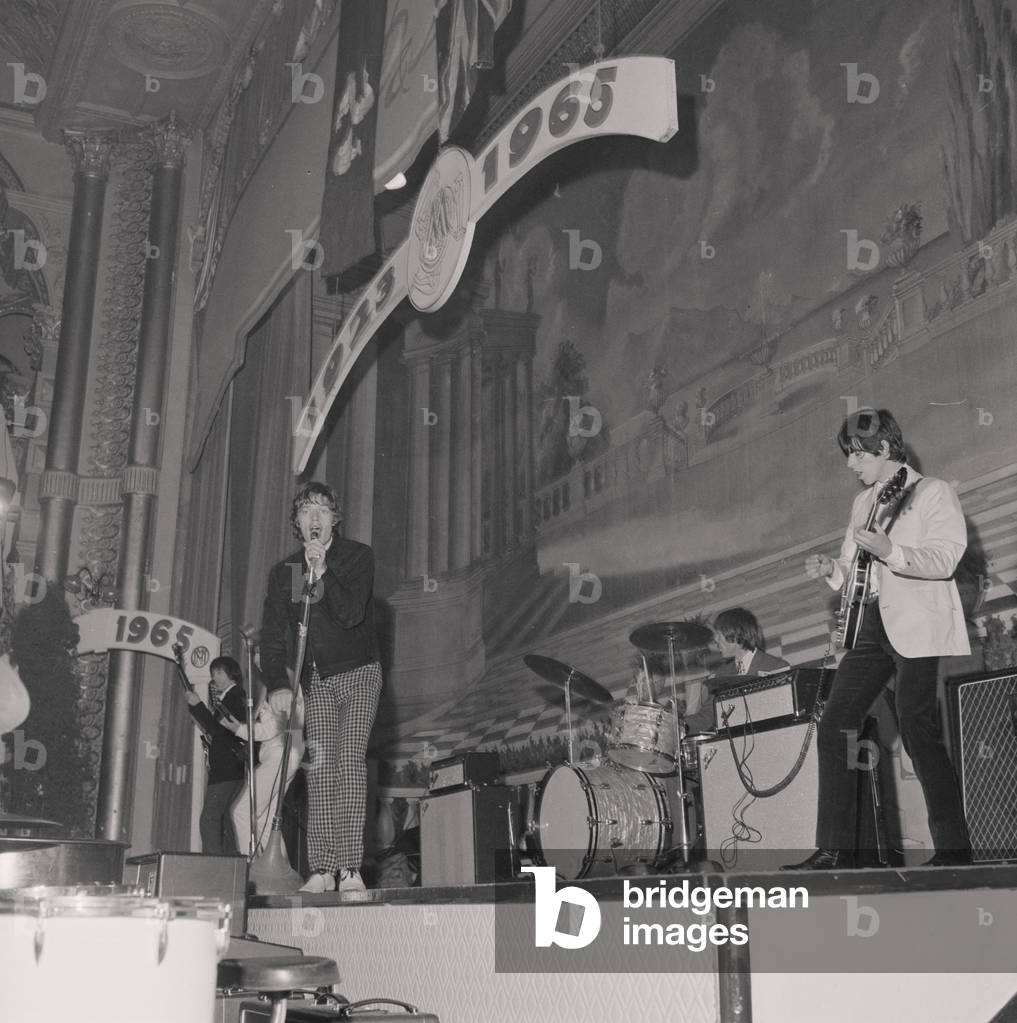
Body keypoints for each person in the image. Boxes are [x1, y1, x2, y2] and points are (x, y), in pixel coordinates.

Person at [783, 407, 971, 870]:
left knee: (916, 729)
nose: (851, 464)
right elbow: (853, 569)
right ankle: (834, 851)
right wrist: (833, 571)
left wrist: (894, 551)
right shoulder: (863, 503)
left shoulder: (933, 492)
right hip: (872, 627)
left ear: (884, 448)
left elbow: (946, 559)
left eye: (857, 454)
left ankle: (953, 849)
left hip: (918, 624)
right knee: (835, 724)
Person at [259, 481, 382, 894]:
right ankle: (322, 868)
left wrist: (323, 570)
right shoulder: (288, 573)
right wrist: (277, 682)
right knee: (321, 768)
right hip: (318, 681)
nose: (315, 518)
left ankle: (349, 867)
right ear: (296, 522)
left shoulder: (355, 557)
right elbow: (274, 636)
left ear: (335, 519)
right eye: (306, 511)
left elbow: (349, 615)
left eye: (323, 511)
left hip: (360, 671)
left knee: (349, 760)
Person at [220, 681, 305, 856]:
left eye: (259, 652)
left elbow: (274, 727)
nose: (257, 656)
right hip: (286, 755)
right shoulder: (282, 678)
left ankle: (250, 871)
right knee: (264, 822)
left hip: (280, 755)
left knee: (242, 811)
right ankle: (281, 876)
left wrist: (239, 729)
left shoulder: (282, 679)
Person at [684, 607, 790, 735]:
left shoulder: (776, 666)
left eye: (719, 633)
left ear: (735, 635)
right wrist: (678, 724)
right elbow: (707, 718)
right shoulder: (721, 674)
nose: (716, 640)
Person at [184, 656, 250, 855]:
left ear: (232, 673)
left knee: (209, 818)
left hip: (226, 768)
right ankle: (231, 864)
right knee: (222, 817)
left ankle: (214, 865)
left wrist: (197, 705)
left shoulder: (234, 695)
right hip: (231, 768)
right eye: (214, 675)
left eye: (220, 672)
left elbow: (217, 729)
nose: (216, 678)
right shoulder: (234, 696)